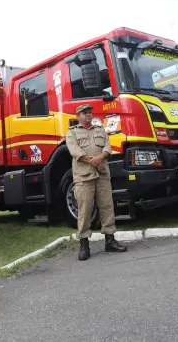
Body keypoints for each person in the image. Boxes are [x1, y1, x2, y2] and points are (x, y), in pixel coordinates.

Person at [65, 104, 127, 260]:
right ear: (78, 116)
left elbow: (107, 147)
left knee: (107, 207)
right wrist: (93, 161)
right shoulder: (72, 132)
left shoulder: (100, 130)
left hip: (102, 175)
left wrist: (100, 158)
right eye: (85, 113)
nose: (88, 115)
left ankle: (110, 241)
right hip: (84, 176)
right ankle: (84, 245)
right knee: (84, 210)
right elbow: (75, 152)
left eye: (90, 112)